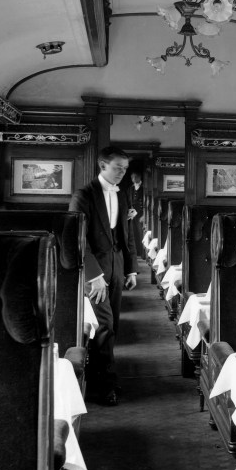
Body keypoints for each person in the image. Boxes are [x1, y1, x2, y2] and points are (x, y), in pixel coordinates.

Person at [69, 145, 138, 406]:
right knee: (104, 325)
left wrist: (130, 268)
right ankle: (104, 385)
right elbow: (77, 239)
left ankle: (103, 377)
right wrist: (93, 275)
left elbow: (126, 234)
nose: (122, 172)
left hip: (117, 266)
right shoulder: (83, 195)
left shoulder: (123, 195)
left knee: (113, 327)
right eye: (117, 167)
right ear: (102, 166)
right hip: (95, 272)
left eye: (125, 168)